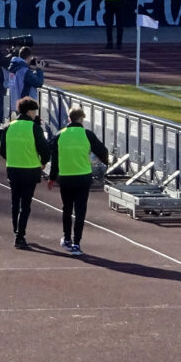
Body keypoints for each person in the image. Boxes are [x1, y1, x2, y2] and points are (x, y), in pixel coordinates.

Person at [44, 107, 111, 254]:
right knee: (80, 211)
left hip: (66, 177)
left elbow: (54, 157)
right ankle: (77, 243)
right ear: (81, 119)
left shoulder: (60, 134)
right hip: (83, 177)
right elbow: (103, 150)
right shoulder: (87, 134)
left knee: (67, 209)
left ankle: (67, 238)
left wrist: (52, 177)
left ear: (69, 119)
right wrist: (104, 162)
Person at [1, 97, 46, 249]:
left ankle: (16, 231)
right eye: (34, 111)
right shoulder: (34, 127)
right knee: (25, 205)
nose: (35, 114)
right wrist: (43, 162)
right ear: (30, 111)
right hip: (30, 169)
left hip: (13, 168)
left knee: (15, 202)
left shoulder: (9, 126)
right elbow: (44, 148)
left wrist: (12, 158)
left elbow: (2, 150)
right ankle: (20, 235)